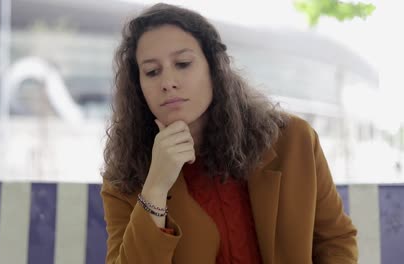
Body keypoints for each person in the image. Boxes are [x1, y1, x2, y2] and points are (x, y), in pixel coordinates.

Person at [100, 3, 357, 264]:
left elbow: (336, 241)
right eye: (152, 72)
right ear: (138, 87)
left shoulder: (294, 140)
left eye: (183, 63)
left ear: (214, 68)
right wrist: (155, 187)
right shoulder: (124, 179)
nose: (168, 83)